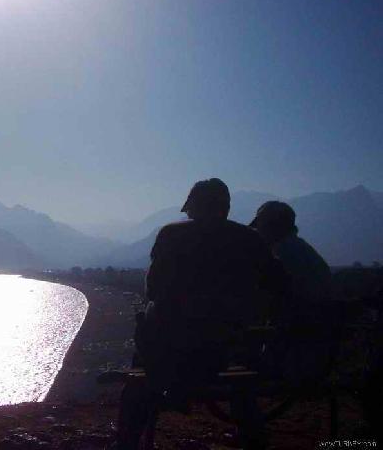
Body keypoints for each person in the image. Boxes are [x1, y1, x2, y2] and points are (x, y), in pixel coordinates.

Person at [115, 178, 289, 450]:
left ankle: (126, 442)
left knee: (139, 376)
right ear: (226, 208)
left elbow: (153, 289)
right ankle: (254, 439)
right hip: (222, 352)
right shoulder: (250, 239)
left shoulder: (171, 234)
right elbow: (278, 286)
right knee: (242, 386)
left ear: (193, 207)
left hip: (167, 353)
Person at [249, 201, 334, 385]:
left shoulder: (280, 256)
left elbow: (264, 300)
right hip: (318, 353)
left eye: (261, 227)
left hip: (291, 356)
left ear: (272, 227)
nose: (258, 233)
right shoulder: (304, 252)